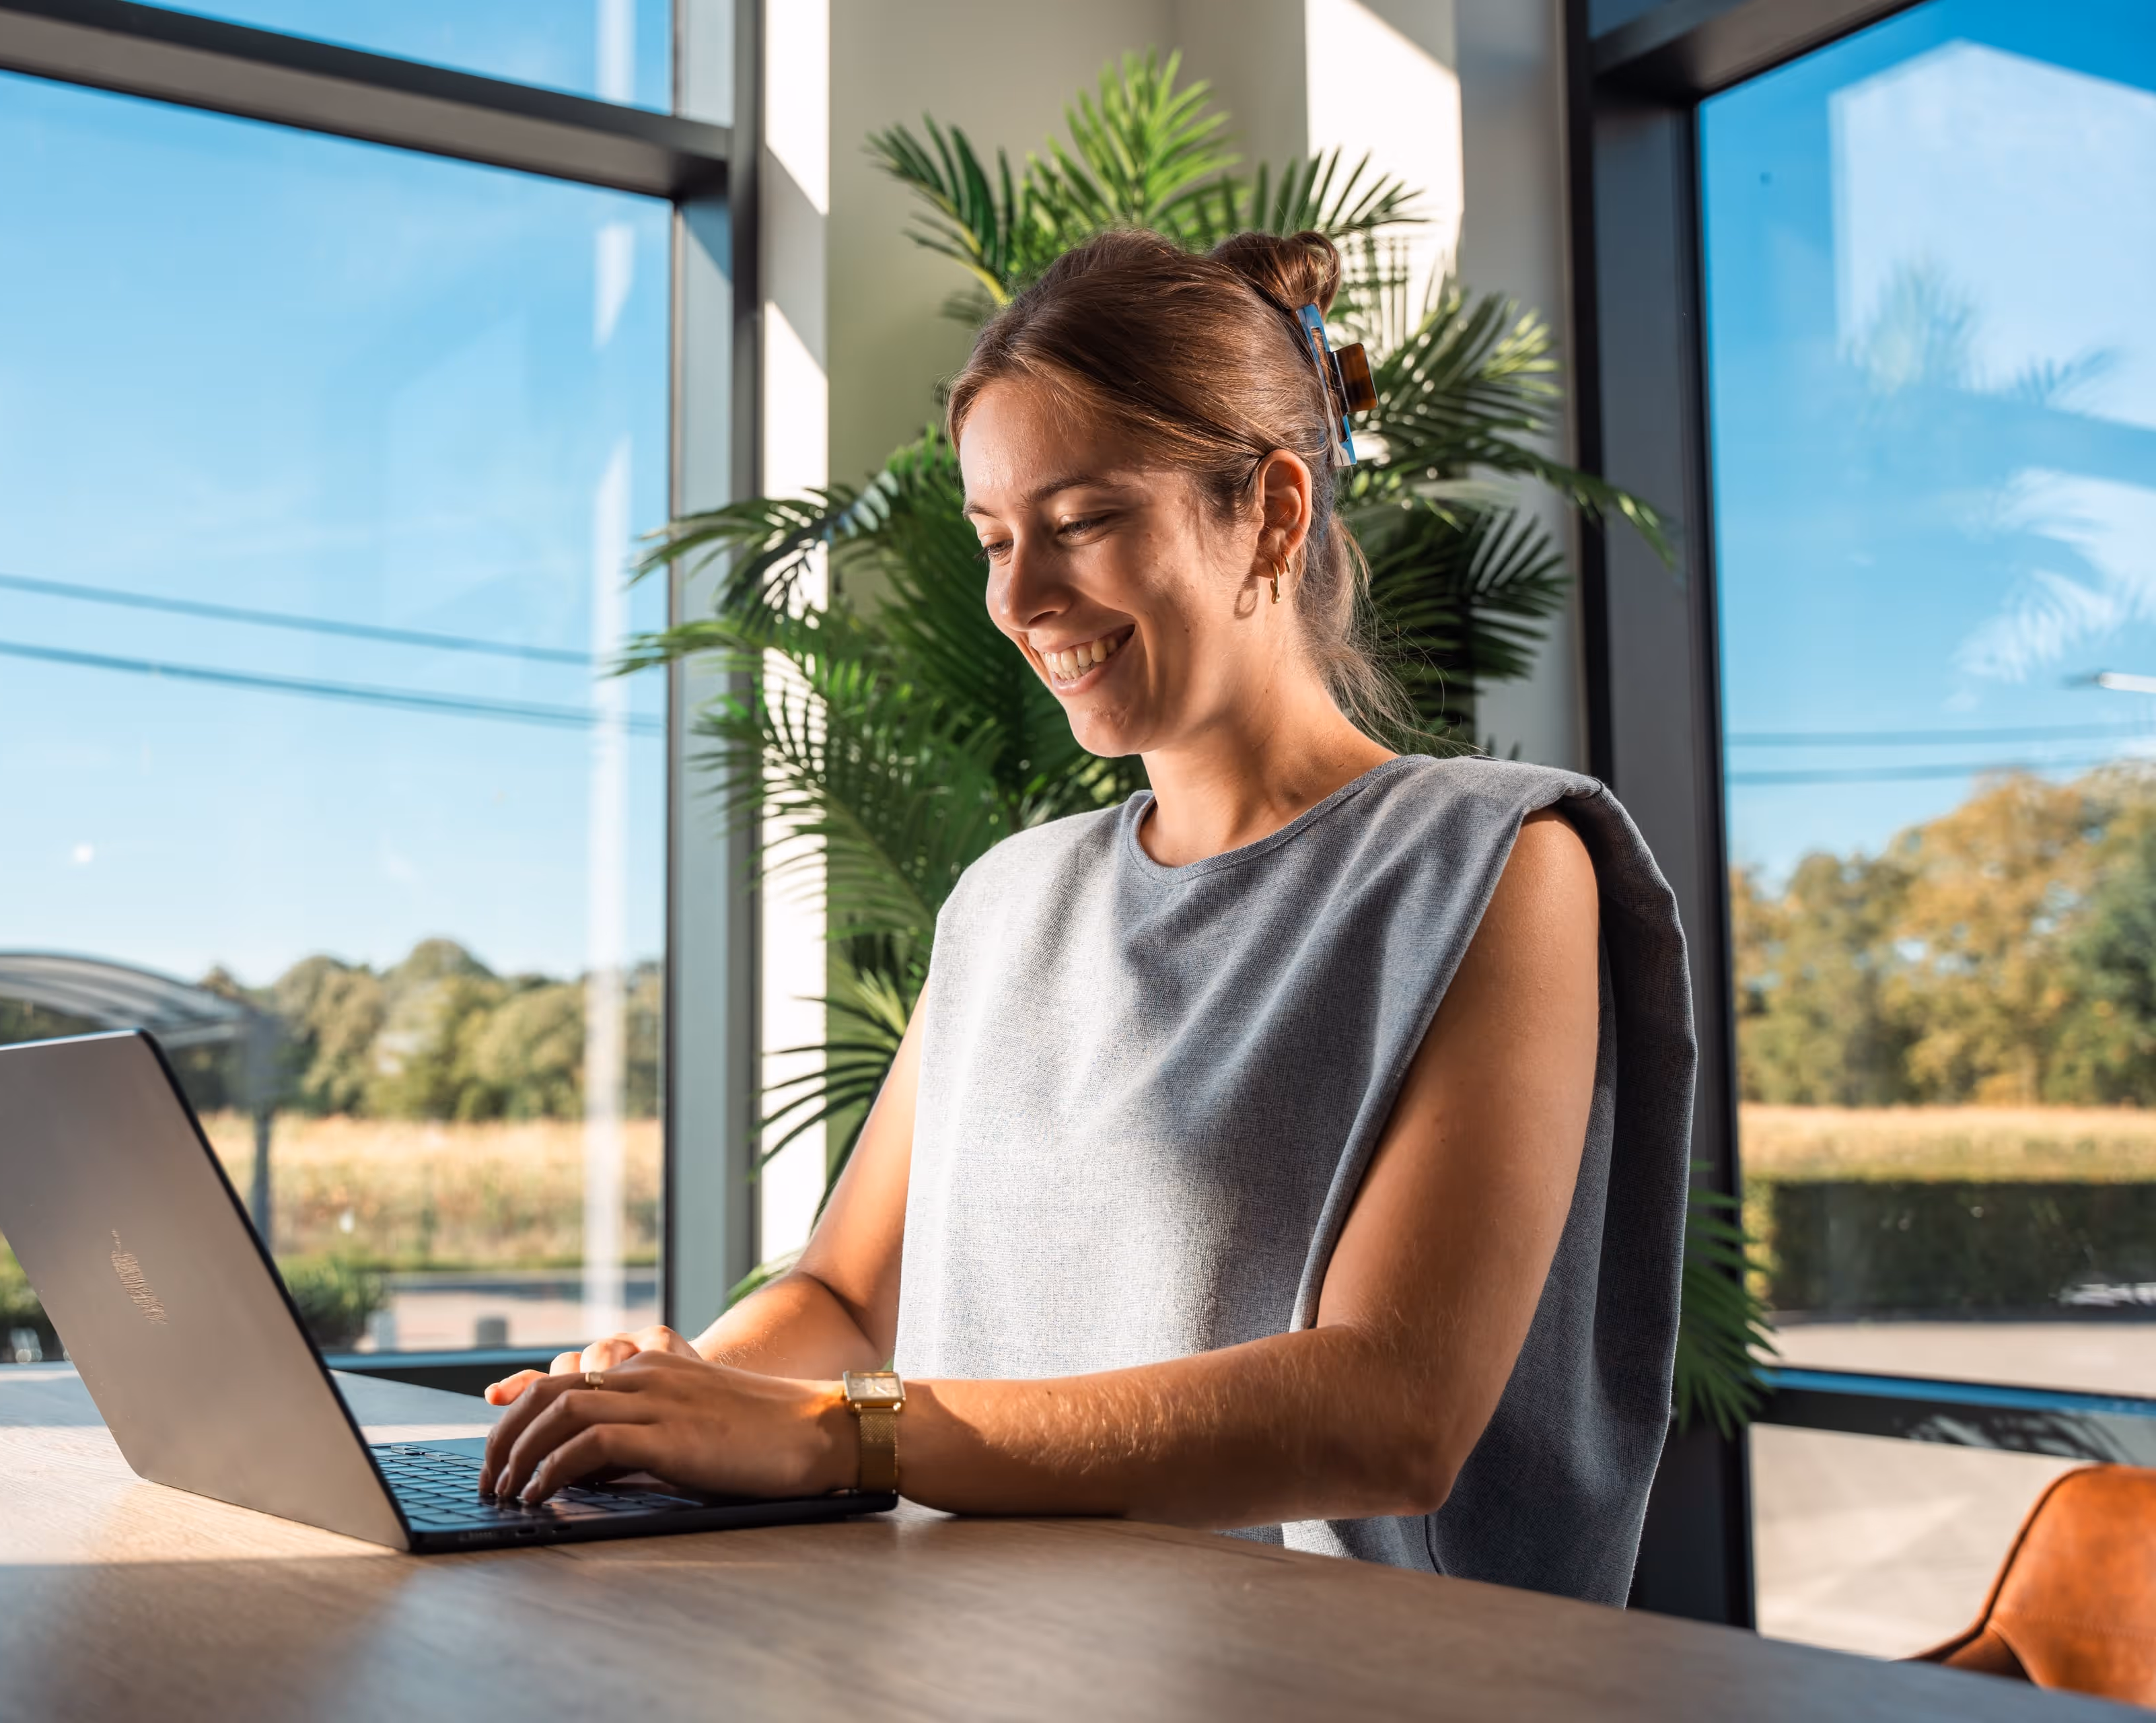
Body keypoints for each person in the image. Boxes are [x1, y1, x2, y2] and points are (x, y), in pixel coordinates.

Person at [481, 227, 1696, 1605]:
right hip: (980, 1656)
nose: (1018, 596)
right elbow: (840, 1297)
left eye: (1082, 521)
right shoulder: (1008, 900)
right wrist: (667, 1400)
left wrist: (837, 1436)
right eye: (996, 537)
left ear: (1275, 514)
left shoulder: (1502, 859)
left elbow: (1390, 1413)